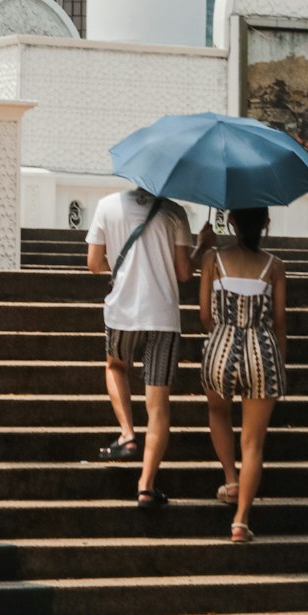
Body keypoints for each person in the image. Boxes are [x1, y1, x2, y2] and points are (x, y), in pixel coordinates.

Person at [86, 186, 215, 509]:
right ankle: (146, 486)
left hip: (122, 312)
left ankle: (127, 434)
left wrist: (121, 268)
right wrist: (203, 247)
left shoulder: (107, 205)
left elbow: (93, 264)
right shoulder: (175, 212)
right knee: (158, 405)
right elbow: (185, 272)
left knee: (116, 366)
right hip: (162, 317)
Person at [199, 207, 287, 543]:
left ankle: (230, 479)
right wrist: (280, 360)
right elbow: (279, 322)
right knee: (253, 443)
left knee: (218, 412)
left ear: (231, 221)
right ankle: (240, 521)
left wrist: (224, 334)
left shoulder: (212, 260)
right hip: (262, 352)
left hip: (220, 345)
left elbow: (205, 315)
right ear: (266, 223)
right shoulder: (275, 266)